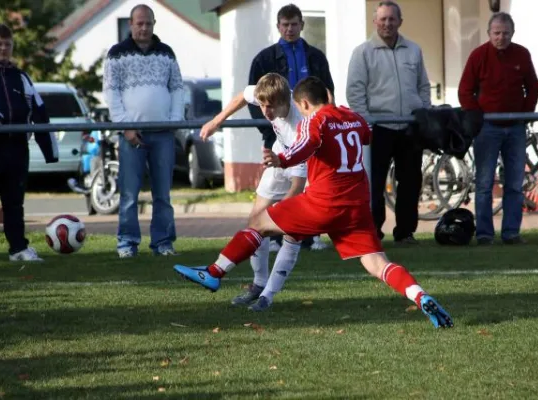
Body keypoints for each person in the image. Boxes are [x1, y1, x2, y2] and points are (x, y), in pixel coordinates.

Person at [175, 77, 453, 329]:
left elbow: (305, 146)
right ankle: (420, 296)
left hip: (324, 201)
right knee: (377, 263)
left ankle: (214, 273)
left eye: (301, 107)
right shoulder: (353, 117)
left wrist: (280, 159)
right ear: (328, 95)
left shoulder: (314, 121)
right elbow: (368, 135)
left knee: (259, 222)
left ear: (304, 103)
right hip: (356, 205)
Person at [199, 73, 307, 311]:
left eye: (271, 107)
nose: (266, 111)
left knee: (292, 231)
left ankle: (267, 297)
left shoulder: (300, 124)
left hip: (304, 166)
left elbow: (298, 185)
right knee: (256, 220)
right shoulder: (267, 94)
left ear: (285, 102)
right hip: (279, 157)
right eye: (263, 105)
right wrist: (217, 121)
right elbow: (243, 96)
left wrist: (279, 215)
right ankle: (259, 284)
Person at [248, 3, 334, 252]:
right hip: (278, 133)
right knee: (277, 186)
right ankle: (273, 236)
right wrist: (268, 127)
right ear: (278, 26)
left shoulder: (315, 56)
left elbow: (327, 91)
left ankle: (310, 236)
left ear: (302, 25)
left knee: (310, 185)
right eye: (285, 25)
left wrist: (327, 122)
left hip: (310, 132)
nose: (289, 29)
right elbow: (254, 95)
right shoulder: (265, 58)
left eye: (294, 24)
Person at [103, 4, 184, 258]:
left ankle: (163, 243)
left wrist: (174, 121)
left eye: (148, 23)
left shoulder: (167, 53)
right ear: (131, 25)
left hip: (163, 134)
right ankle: (127, 243)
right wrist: (125, 126)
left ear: (153, 24)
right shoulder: (116, 54)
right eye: (139, 23)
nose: (144, 28)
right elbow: (111, 91)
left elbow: (177, 88)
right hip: (131, 134)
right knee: (129, 193)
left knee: (163, 193)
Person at [346, 0, 431, 245]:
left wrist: (422, 113)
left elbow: (423, 86)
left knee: (410, 183)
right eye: (382, 19)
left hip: (409, 127)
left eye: (392, 19)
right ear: (375, 22)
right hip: (377, 128)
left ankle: (405, 233)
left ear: (400, 22)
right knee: (373, 185)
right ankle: (373, 232)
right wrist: (366, 123)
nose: (387, 24)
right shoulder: (362, 53)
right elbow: (355, 92)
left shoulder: (413, 50)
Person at [0, 23, 59, 263]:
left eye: (7, 44)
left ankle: (18, 248)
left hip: (17, 149)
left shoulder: (21, 78)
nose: (3, 48)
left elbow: (40, 113)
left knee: (14, 203)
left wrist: (49, 151)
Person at [458, 12, 538, 245]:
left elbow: (533, 88)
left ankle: (511, 233)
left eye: (505, 33)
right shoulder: (478, 55)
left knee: (514, 183)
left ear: (512, 33)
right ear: (489, 34)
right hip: (487, 129)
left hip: (515, 129)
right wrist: (476, 116)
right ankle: (484, 234)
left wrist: (524, 114)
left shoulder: (522, 54)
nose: (501, 37)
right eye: (496, 33)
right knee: (484, 184)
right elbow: (465, 90)